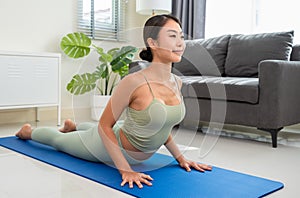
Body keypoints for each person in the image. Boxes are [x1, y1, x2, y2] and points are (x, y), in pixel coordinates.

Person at [15, 14, 212, 189]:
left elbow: (163, 127)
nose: (180, 43)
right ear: (153, 43)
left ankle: (74, 126)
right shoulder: (133, 82)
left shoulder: (176, 82)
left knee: (106, 127)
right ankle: (29, 131)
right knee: (58, 141)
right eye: (172, 36)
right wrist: (125, 170)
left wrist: (181, 158)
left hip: (126, 131)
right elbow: (104, 126)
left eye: (181, 36)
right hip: (105, 147)